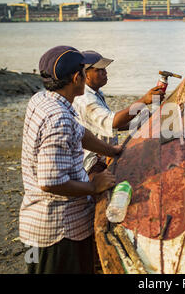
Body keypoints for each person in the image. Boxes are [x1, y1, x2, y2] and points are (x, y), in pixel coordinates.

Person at [19, 45, 123, 274]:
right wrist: (92, 186)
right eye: (85, 73)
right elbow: (50, 181)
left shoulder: (42, 100)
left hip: (33, 225)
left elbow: (80, 132)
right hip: (58, 233)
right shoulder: (58, 119)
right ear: (77, 78)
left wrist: (111, 150)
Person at [73, 50, 165, 176]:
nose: (105, 73)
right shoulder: (86, 99)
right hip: (91, 164)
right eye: (99, 70)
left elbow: (105, 124)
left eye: (104, 69)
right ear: (85, 74)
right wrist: (143, 100)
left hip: (104, 154)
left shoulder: (96, 93)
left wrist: (140, 121)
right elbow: (112, 122)